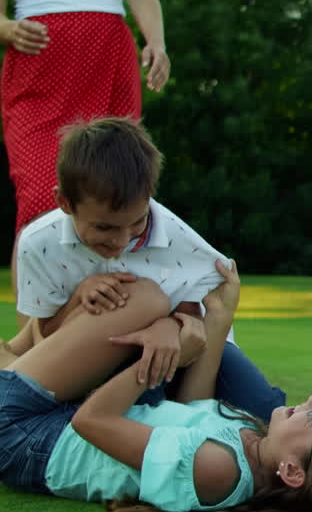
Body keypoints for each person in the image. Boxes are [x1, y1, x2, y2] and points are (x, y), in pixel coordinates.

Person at [0, 261, 312, 512]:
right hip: (58, 425)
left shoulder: (218, 471)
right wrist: (219, 319)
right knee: (145, 306)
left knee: (145, 299)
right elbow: (189, 411)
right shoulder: (247, 448)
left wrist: (161, 349)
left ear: (293, 472)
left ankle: (25, 344)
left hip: (26, 436)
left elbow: (90, 422)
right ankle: (24, 345)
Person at [8, 116, 285, 420]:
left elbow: (199, 312)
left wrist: (166, 326)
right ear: (64, 202)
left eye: (138, 222)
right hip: (112, 355)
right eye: (104, 227)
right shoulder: (38, 243)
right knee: (142, 421)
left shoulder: (183, 242)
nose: (121, 240)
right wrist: (79, 295)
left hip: (195, 351)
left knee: (263, 414)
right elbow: (46, 334)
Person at [0, 0, 170, 241]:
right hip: (37, 66)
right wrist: (8, 28)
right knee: (40, 203)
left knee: (115, 193)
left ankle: (109, 298)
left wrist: (156, 42)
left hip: (106, 60)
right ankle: (38, 303)